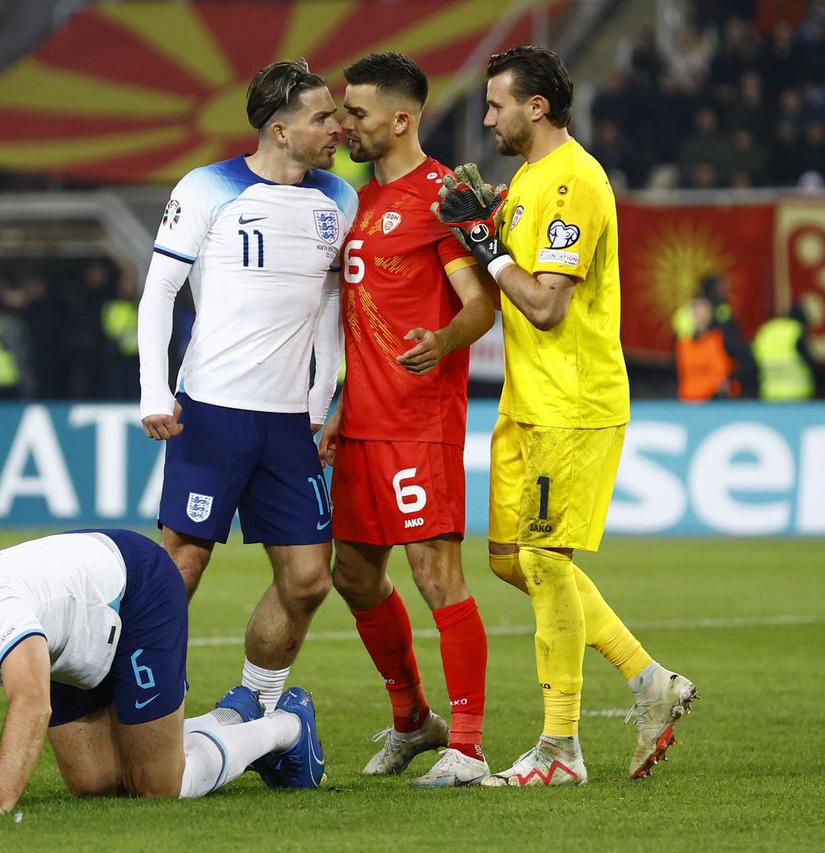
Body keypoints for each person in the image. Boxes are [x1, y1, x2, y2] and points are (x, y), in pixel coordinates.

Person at [432, 45, 698, 786]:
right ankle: (650, 682)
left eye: (495, 105)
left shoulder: (573, 181)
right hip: (526, 404)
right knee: (511, 560)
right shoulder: (524, 181)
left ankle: (560, 748)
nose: (487, 117)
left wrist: (486, 248)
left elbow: (546, 306)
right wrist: (489, 227)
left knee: (547, 561)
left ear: (536, 107)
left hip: (572, 404)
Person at [137, 59, 355, 719]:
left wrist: (322, 404)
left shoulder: (340, 199)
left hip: (289, 423)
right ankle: (138, 702)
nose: (337, 128)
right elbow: (158, 293)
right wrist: (153, 389)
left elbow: (329, 306)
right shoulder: (208, 188)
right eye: (322, 117)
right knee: (181, 568)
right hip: (211, 411)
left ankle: (253, 703)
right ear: (280, 129)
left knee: (309, 579)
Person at [317, 53, 496, 787]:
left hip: (420, 417)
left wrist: (444, 341)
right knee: (353, 573)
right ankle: (412, 717)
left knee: (435, 573)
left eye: (355, 113)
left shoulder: (441, 196)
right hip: (359, 419)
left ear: (401, 118)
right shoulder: (348, 201)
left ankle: (468, 744)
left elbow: (481, 303)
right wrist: (336, 403)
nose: (342, 124)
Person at [0, 529, 325, 814]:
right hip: (69, 638)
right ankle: (233, 715)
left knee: (158, 786)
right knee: (96, 785)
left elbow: (31, 704)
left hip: (132, 589)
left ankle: (286, 726)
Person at [752, 302, 815, 401]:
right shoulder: (796, 330)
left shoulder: (766, 330)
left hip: (769, 394)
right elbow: (810, 362)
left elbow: (752, 359)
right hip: (797, 393)